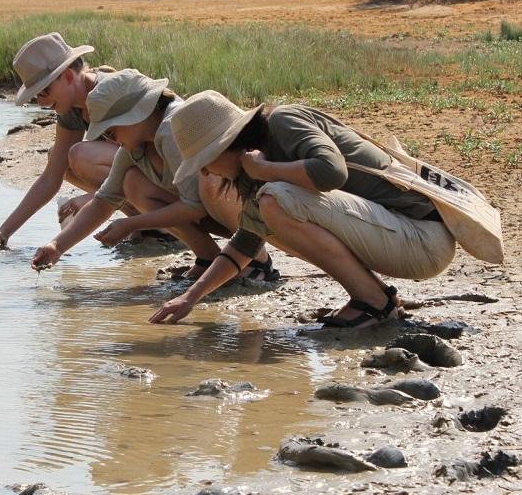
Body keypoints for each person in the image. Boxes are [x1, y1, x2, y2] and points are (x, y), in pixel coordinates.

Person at [148, 92, 456, 328]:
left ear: (225, 145)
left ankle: (374, 303)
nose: (204, 174)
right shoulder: (254, 171)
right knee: (269, 209)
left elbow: (331, 173)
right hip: (397, 236)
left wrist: (266, 170)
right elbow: (247, 242)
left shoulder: (282, 123)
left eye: (203, 163)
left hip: (422, 240)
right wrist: (191, 297)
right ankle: (376, 297)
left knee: (275, 201)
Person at [30, 71, 279, 279]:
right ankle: (208, 258)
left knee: (209, 180)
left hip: (256, 214)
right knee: (132, 183)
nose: (106, 138)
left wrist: (131, 223)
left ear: (137, 114)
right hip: (217, 213)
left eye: (111, 129)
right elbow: (104, 200)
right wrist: (57, 246)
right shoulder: (135, 145)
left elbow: (196, 207)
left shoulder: (173, 129)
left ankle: (255, 260)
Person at [0, 32, 125, 250]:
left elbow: (140, 162)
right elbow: (51, 176)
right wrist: (4, 232)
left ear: (68, 76)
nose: (40, 103)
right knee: (60, 160)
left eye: (44, 91)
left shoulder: (108, 93)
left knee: (80, 155)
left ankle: (151, 221)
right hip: (138, 185)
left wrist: (92, 199)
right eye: (35, 95)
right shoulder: (71, 107)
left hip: (172, 184)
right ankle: (143, 224)